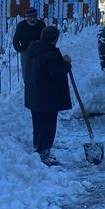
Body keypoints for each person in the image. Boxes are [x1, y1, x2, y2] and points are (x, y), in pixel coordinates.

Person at [24, 26, 72, 166]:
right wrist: (66, 64)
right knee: (48, 125)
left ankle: (38, 147)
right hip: (48, 97)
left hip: (34, 94)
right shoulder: (50, 54)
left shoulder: (33, 50)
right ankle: (44, 153)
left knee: (38, 123)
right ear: (55, 39)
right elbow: (56, 74)